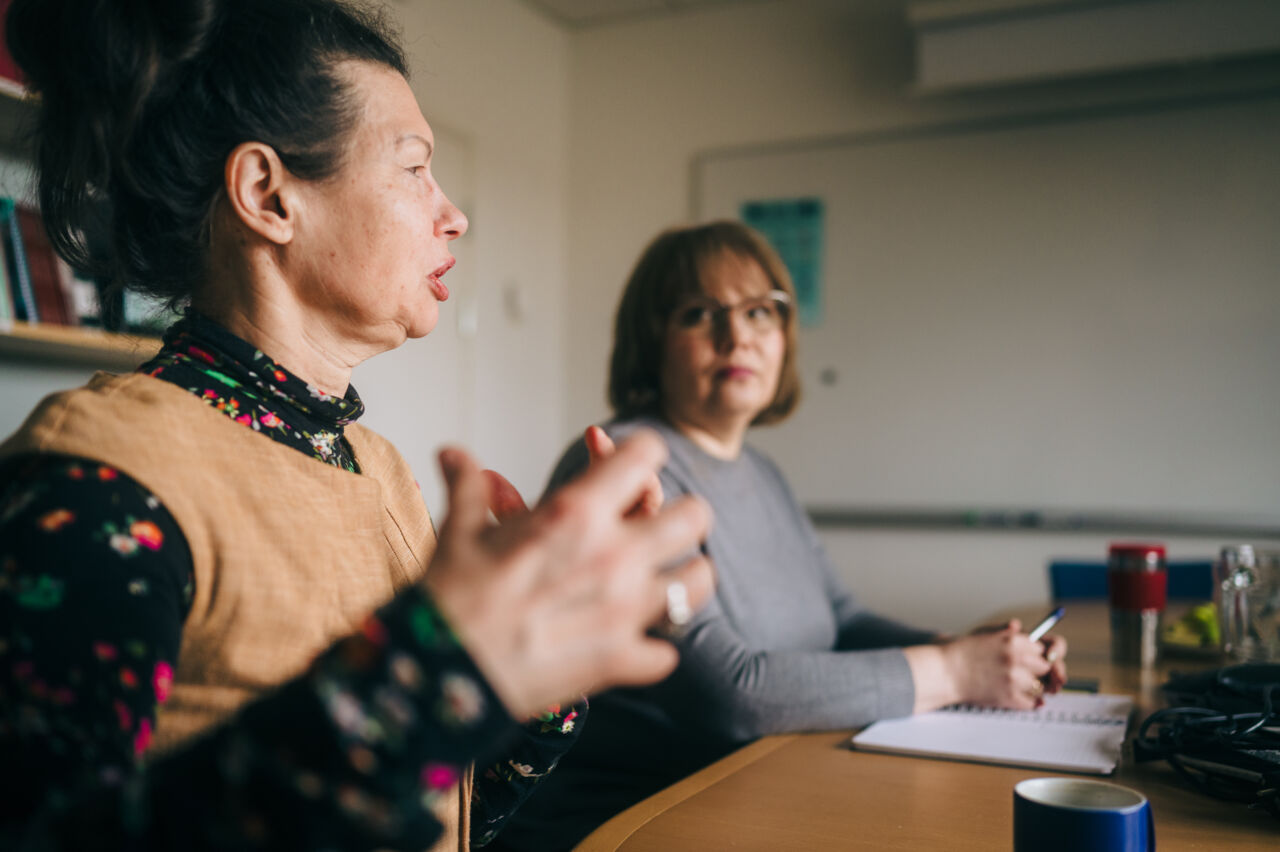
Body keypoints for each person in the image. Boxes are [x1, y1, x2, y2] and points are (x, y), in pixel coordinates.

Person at [0, 2, 713, 850]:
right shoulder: (98, 477)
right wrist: (434, 672)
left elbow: (424, 813)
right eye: (414, 169)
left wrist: (553, 660)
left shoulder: (377, 470)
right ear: (269, 195)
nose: (455, 215)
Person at [496, 220, 1070, 850]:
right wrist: (956, 672)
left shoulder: (762, 473)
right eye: (698, 313)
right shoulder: (623, 465)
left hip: (754, 795)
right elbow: (737, 696)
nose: (736, 335)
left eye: (760, 312)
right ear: (651, 342)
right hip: (631, 825)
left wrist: (971, 650)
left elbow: (842, 618)